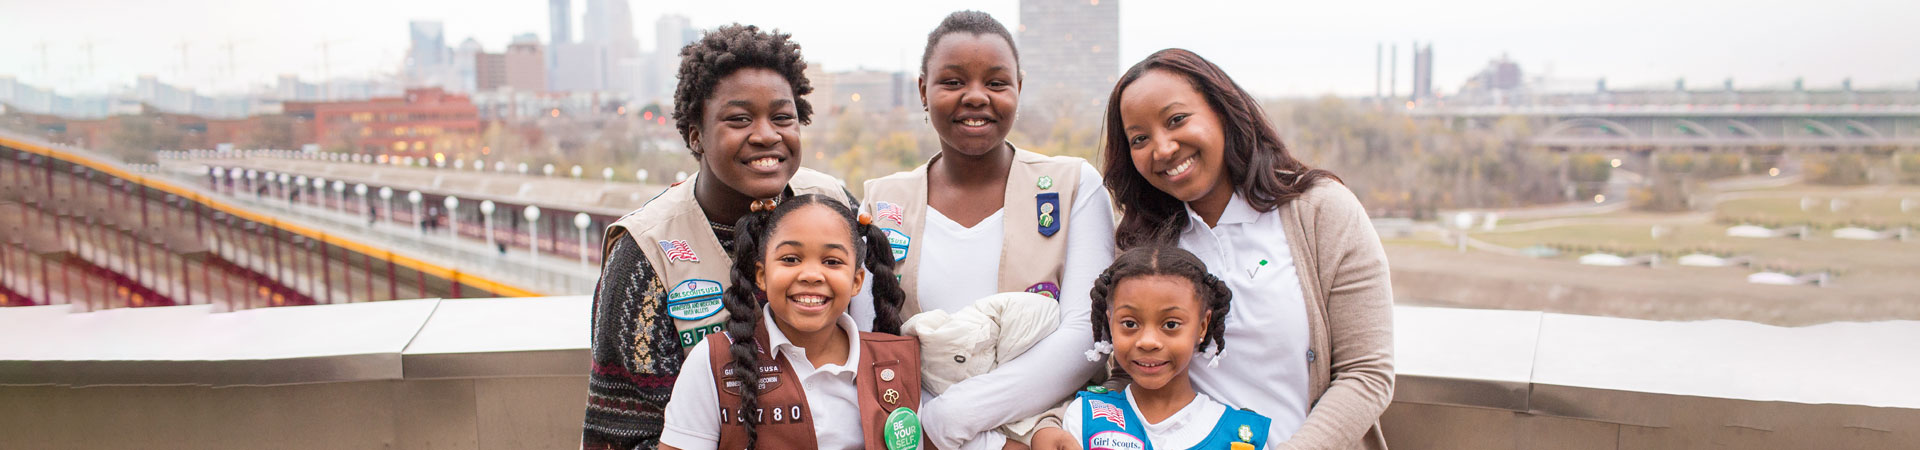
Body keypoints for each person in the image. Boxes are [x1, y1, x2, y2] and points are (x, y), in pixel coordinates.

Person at [1097, 49, 1394, 449]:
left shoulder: (1321, 210)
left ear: (1222, 110)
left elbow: (1367, 373)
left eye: (1177, 120)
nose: (1163, 148)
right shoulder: (1139, 243)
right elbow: (1126, 374)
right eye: (1140, 138)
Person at [584, 24, 855, 449]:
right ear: (696, 134)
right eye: (740, 119)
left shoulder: (833, 204)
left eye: (783, 117)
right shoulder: (646, 254)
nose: (767, 134)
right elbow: (622, 436)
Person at [855, 10, 1115, 450]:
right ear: (923, 90)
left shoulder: (1074, 185)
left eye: (996, 83)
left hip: (1040, 434)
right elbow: (868, 343)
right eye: (953, 82)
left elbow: (1083, 334)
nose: (976, 97)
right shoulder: (882, 200)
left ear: (1019, 87)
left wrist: (953, 421)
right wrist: (922, 430)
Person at [657, 194, 914, 450]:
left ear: (856, 281)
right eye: (791, 259)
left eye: (832, 262)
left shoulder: (897, 360)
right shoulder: (712, 361)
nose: (812, 275)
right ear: (762, 275)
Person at [1033, 246, 1269, 450]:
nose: (1147, 341)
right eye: (1130, 323)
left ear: (1202, 326)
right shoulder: (1085, 418)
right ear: (1110, 323)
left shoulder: (1242, 435)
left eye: (1170, 324)